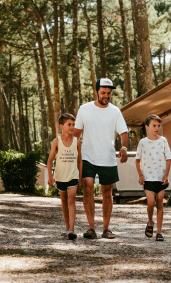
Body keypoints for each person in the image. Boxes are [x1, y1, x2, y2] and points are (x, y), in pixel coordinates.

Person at [73, 78, 129, 240]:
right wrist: (71, 154)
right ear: (96, 91)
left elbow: (123, 134)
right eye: (103, 92)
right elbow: (76, 134)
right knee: (88, 187)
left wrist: (124, 148)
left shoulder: (115, 111)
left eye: (109, 93)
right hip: (87, 156)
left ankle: (106, 229)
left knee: (106, 192)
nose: (106, 95)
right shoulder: (84, 109)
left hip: (108, 157)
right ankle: (91, 228)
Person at [135, 114, 171, 242]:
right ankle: (150, 222)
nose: (157, 128)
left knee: (160, 203)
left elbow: (168, 158)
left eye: (158, 126)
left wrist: (166, 174)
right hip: (148, 178)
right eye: (154, 126)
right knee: (151, 202)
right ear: (147, 127)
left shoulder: (163, 141)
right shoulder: (142, 142)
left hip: (161, 177)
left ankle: (159, 232)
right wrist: (140, 174)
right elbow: (137, 160)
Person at [47, 113, 82, 241]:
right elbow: (50, 160)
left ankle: (72, 230)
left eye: (73, 124)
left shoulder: (77, 141)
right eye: (69, 124)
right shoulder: (56, 141)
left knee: (71, 200)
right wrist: (50, 176)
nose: (72, 127)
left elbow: (80, 161)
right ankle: (67, 227)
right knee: (64, 202)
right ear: (61, 126)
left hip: (73, 175)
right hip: (60, 176)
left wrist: (80, 177)